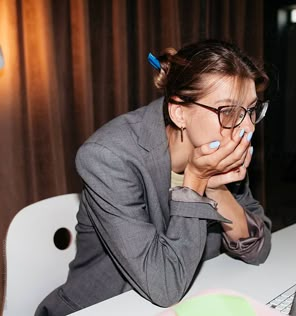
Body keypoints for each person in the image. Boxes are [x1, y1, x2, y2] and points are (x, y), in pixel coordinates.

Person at [35, 39, 272, 315]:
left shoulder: (220, 148)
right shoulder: (109, 157)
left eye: (251, 110)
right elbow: (165, 288)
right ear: (179, 112)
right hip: (105, 306)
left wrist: (218, 190)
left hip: (195, 298)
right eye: (228, 111)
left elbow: (260, 248)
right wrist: (195, 183)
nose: (246, 128)